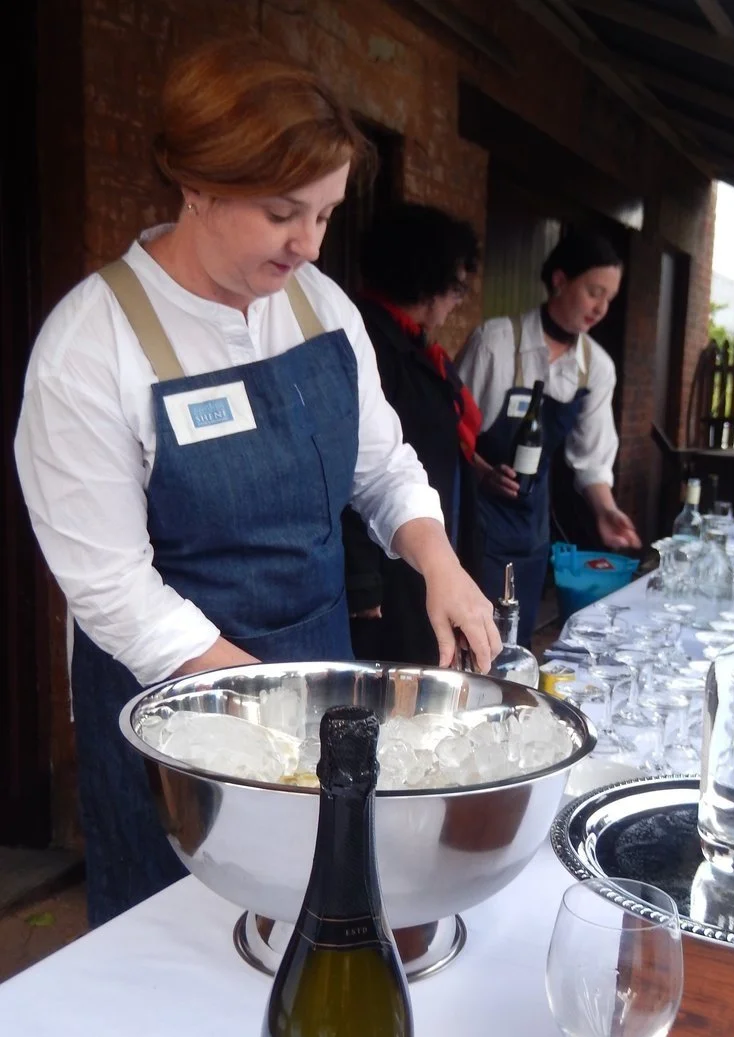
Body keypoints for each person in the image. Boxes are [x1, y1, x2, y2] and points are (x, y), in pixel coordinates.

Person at [14, 39, 499, 927]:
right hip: (180, 717)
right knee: (184, 946)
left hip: (319, 671)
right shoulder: (90, 346)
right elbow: (111, 587)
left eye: (325, 214)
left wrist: (440, 563)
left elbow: (383, 465)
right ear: (197, 186)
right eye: (283, 214)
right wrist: (268, 702)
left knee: (321, 922)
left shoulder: (321, 307)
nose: (308, 245)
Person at [458, 229, 641, 648]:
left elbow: (591, 460)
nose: (601, 308)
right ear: (560, 280)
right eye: (594, 292)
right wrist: (482, 471)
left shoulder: (596, 367)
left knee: (515, 644)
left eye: (609, 298)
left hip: (531, 529)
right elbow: (448, 430)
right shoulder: (496, 343)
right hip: (474, 520)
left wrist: (606, 510)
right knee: (473, 643)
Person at [342, 203, 483, 664]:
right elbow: (360, 466)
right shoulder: (368, 341)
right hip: (389, 564)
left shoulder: (413, 343)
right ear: (426, 281)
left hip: (424, 542)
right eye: (456, 288)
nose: (457, 302)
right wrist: (362, 581)